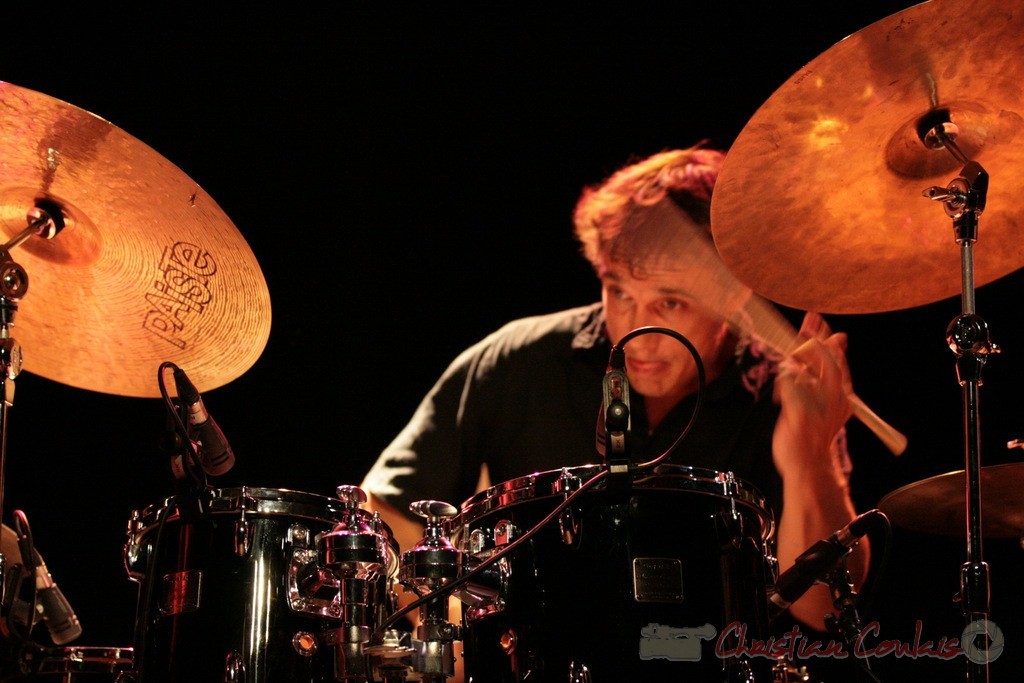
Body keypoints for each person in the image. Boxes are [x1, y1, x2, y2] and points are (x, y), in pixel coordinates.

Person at [361, 144, 870, 676]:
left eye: (670, 302)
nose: (635, 329)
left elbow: (825, 609)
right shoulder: (517, 361)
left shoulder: (783, 390)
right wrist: (462, 631)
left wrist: (808, 452)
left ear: (737, 294)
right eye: (618, 291)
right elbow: (387, 518)